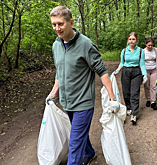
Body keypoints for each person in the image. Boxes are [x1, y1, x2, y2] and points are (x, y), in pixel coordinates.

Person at [46, 6, 120, 165]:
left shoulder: (86, 45)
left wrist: (113, 98)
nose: (57, 28)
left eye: (60, 24)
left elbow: (102, 71)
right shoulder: (56, 45)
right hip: (67, 102)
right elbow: (60, 71)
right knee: (78, 133)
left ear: (71, 22)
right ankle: (90, 152)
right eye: (53, 25)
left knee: (74, 143)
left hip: (83, 103)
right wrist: (53, 94)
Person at [114, 32, 148, 124]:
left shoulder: (141, 51)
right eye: (130, 39)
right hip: (125, 71)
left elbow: (142, 63)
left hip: (136, 72)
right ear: (128, 40)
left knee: (135, 93)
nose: (131, 41)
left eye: (133, 39)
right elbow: (122, 62)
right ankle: (128, 108)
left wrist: (144, 74)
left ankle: (134, 113)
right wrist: (117, 70)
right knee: (126, 92)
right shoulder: (124, 51)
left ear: (136, 40)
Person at [143, 37, 157, 110]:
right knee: (147, 86)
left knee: (153, 86)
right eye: (149, 45)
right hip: (146, 71)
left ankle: (153, 101)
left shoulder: (156, 50)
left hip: (154, 70)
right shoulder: (142, 51)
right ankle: (148, 99)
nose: (150, 47)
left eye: (151, 45)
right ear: (146, 44)